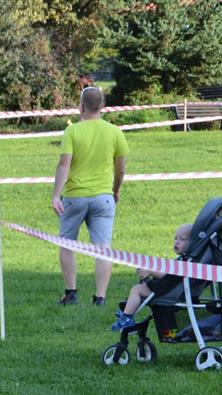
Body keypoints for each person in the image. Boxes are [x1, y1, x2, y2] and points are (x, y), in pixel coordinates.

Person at [50, 86, 128, 306]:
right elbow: (121, 170)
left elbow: (64, 165)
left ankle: (71, 292)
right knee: (103, 249)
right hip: (103, 197)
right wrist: (116, 190)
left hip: (74, 196)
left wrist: (56, 195)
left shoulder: (72, 131)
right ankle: (100, 297)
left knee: (67, 244)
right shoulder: (115, 132)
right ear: (102, 106)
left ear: (81, 107)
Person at [110, 224, 193, 332]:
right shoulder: (187, 260)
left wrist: (149, 272)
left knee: (136, 290)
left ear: (193, 243)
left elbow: (165, 278)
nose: (177, 242)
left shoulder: (184, 263)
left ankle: (127, 317)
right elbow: (168, 274)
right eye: (176, 238)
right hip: (172, 289)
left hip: (167, 292)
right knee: (142, 285)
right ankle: (129, 305)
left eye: (182, 239)